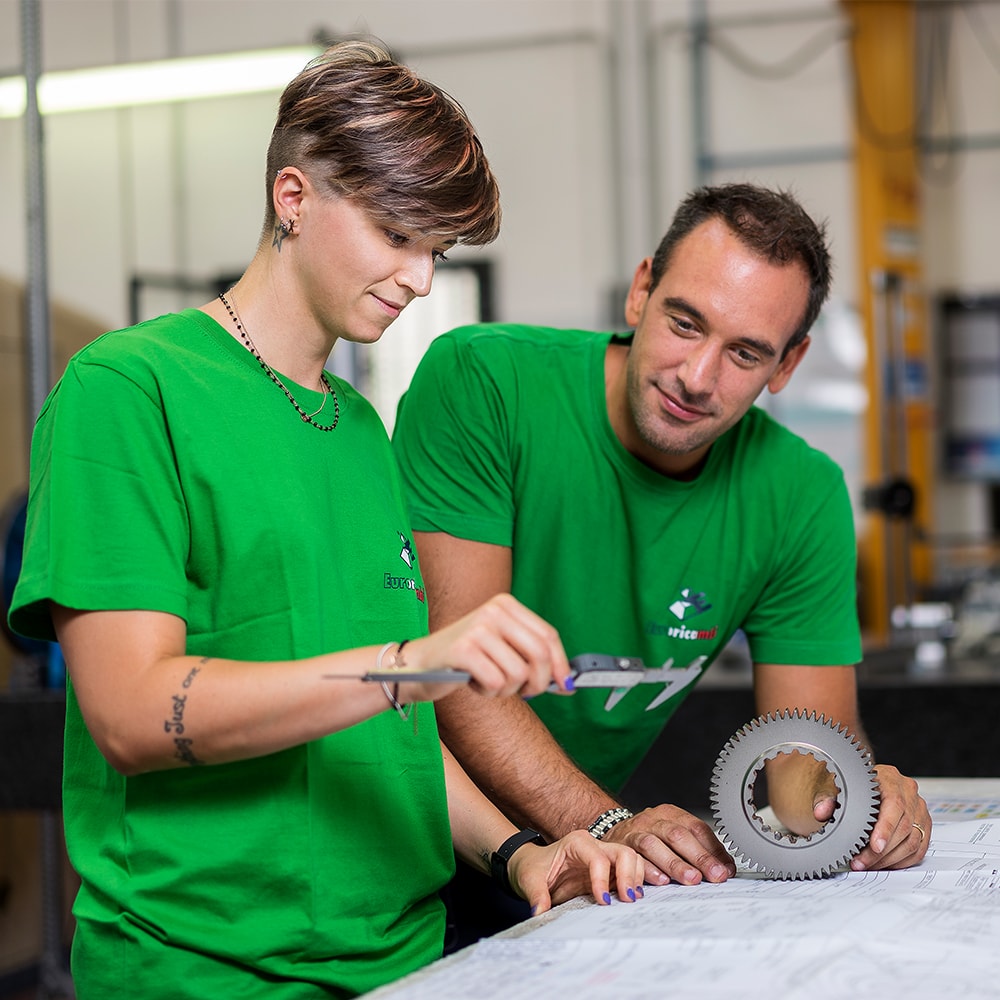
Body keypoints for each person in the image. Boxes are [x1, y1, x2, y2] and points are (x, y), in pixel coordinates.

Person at [7, 39, 645, 1000]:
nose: (420, 278)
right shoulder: (129, 390)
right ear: (293, 197)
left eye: (438, 251)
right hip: (205, 972)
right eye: (398, 234)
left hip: (409, 959)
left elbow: (391, 731)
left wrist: (520, 853)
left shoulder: (359, 431)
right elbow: (132, 714)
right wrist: (410, 665)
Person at [391, 182, 931, 941]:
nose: (697, 377)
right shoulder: (486, 382)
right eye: (685, 323)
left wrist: (852, 802)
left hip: (566, 872)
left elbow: (797, 757)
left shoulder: (799, 492)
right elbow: (455, 675)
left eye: (745, 353)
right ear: (641, 291)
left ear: (788, 364)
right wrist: (610, 821)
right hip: (403, 848)